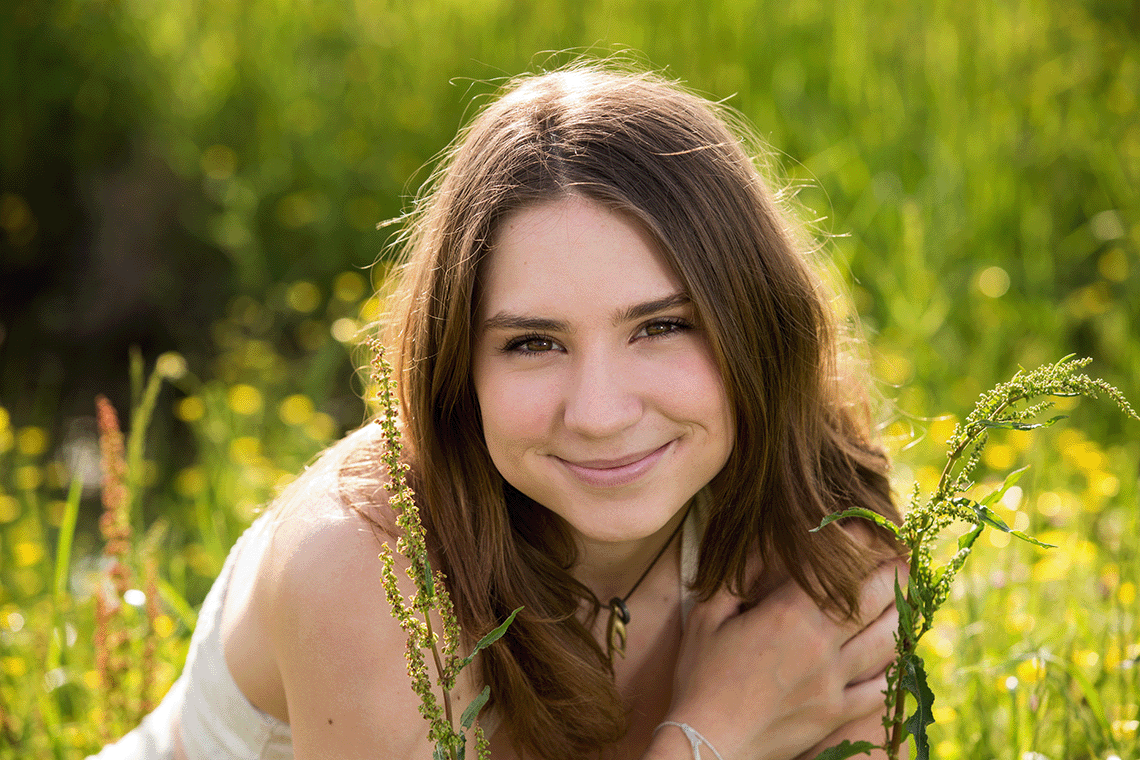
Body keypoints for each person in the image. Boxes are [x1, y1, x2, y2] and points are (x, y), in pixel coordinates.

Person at [92, 63, 904, 760]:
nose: (599, 414)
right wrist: (712, 733)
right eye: (532, 343)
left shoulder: (814, 512)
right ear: (459, 370)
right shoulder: (366, 566)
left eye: (661, 327)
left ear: (755, 324)